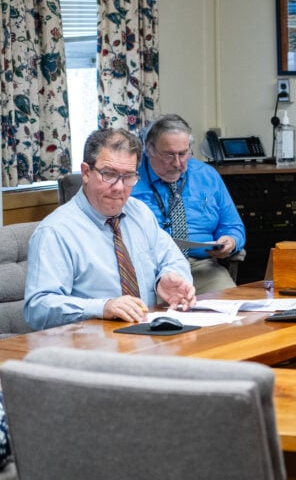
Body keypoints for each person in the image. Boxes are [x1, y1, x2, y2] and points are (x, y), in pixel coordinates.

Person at [24, 129, 195, 330]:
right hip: (88, 346)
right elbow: (37, 308)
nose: (119, 188)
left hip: (147, 335)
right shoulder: (55, 232)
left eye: (128, 176)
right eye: (110, 174)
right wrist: (102, 307)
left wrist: (166, 277)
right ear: (86, 172)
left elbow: (173, 258)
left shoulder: (139, 212)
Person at [133, 114, 246, 293]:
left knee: (231, 310)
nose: (177, 163)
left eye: (183, 153)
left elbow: (233, 226)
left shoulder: (207, 175)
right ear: (149, 149)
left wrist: (231, 241)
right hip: (149, 270)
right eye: (169, 155)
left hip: (200, 268)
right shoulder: (130, 180)